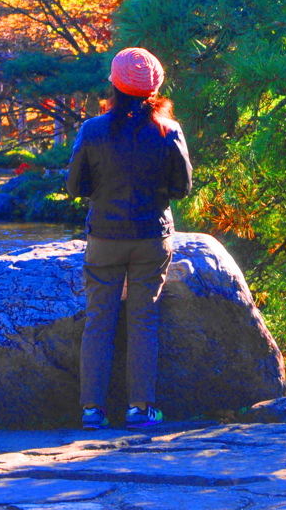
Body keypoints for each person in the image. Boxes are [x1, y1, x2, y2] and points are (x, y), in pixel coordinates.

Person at [66, 46, 192, 430]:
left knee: (98, 320)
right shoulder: (169, 131)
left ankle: (92, 411)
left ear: (114, 87)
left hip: (104, 236)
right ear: (154, 91)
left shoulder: (92, 130)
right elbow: (182, 187)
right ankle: (141, 409)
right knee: (143, 320)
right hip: (152, 237)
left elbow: (74, 185)